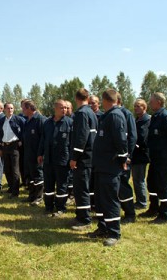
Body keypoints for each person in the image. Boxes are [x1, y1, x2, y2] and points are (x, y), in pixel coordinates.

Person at [89, 89, 128, 247]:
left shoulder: (116, 116)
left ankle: (114, 233)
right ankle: (103, 227)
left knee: (110, 200)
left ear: (105, 100)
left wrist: (122, 159)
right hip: (101, 166)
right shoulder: (107, 116)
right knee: (100, 199)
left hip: (110, 167)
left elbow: (121, 141)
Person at [141, 92, 167, 224]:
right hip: (154, 157)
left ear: (159, 102)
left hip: (164, 158)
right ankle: (154, 208)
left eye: (151, 101)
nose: (149, 103)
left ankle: (164, 215)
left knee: (164, 186)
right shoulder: (155, 116)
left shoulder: (166, 116)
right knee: (152, 183)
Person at [37, 99, 73, 217]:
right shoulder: (47, 123)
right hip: (49, 159)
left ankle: (61, 208)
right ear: (55, 108)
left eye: (66, 108)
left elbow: (72, 142)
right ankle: (48, 206)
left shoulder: (69, 122)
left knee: (62, 185)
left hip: (63, 159)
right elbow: (43, 139)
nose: (64, 110)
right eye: (62, 108)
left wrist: (73, 158)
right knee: (49, 184)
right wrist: (40, 153)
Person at [70, 88, 98, 230]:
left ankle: (84, 219)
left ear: (76, 98)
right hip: (91, 156)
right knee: (86, 188)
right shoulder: (91, 113)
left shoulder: (81, 113)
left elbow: (81, 137)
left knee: (81, 189)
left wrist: (75, 157)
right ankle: (82, 215)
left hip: (83, 158)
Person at [117, 93, 138, 224]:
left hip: (123, 158)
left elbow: (132, 137)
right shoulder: (110, 113)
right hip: (114, 158)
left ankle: (130, 213)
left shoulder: (126, 114)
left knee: (123, 185)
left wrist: (127, 155)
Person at [0, 103, 25, 198]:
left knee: (15, 170)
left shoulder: (18, 119)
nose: (10, 110)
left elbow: (25, 130)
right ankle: (11, 187)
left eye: (12, 108)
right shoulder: (1, 120)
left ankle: (15, 192)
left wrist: (21, 140)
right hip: (5, 146)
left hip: (14, 146)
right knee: (7, 169)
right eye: (8, 108)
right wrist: (0, 147)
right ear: (4, 109)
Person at [21, 99, 46, 205]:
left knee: (38, 175)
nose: (22, 110)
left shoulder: (40, 119)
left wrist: (40, 153)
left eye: (23, 108)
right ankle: (32, 195)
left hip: (37, 154)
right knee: (30, 176)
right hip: (28, 153)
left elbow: (43, 138)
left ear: (29, 108)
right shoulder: (27, 120)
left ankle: (39, 197)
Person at [132, 99, 150, 209]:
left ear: (144, 107)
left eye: (138, 106)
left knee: (139, 179)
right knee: (136, 178)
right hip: (136, 153)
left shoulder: (147, 120)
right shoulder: (137, 120)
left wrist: (138, 144)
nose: (136, 108)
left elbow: (144, 137)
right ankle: (139, 200)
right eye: (135, 106)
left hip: (142, 154)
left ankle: (142, 202)